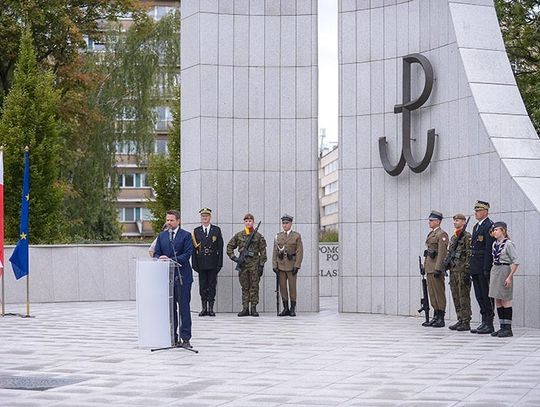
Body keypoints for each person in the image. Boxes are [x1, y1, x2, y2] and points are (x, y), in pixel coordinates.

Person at [153, 210, 194, 348]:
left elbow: (188, 253)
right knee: (170, 310)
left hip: (182, 277)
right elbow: (156, 252)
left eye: (171, 220)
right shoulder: (162, 236)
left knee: (184, 308)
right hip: (167, 278)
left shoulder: (186, 236)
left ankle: (186, 338)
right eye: (167, 220)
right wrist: (160, 258)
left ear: (178, 221)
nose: (169, 223)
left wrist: (172, 260)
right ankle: (173, 337)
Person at [227, 213, 267, 317]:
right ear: (244, 222)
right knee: (245, 287)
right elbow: (229, 247)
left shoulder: (258, 236)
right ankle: (245, 308)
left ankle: (253, 308)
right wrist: (234, 258)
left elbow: (263, 251)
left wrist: (261, 265)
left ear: (253, 222)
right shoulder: (239, 235)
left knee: (254, 286)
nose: (248, 222)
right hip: (243, 265)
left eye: (250, 221)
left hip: (254, 264)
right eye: (246, 221)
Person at [489, 222, 519, 338]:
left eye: (496, 230)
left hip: (504, 270)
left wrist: (509, 277)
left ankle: (508, 328)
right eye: (494, 230)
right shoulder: (494, 244)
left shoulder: (508, 244)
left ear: (503, 230)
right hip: (495, 270)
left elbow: (516, 262)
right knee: (497, 299)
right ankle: (502, 326)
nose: (494, 232)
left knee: (505, 299)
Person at [191, 207, 224, 317]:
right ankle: (203, 308)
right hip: (201, 262)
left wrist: (219, 263)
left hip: (212, 262)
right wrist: (194, 264)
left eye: (207, 216)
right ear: (201, 218)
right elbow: (193, 249)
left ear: (210, 217)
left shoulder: (216, 230)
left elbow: (220, 247)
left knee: (212, 285)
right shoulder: (196, 231)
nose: (205, 218)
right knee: (203, 285)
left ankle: (210, 308)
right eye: (203, 216)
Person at [469, 200, 495, 334]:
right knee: (479, 295)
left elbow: (488, 249)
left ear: (485, 211)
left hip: (483, 266)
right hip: (475, 266)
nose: (476, 213)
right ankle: (484, 320)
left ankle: (489, 323)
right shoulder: (476, 227)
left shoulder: (489, 226)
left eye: (478, 210)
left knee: (486, 295)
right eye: (475, 210)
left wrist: (487, 268)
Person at [272, 214, 304, 317]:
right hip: (281, 265)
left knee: (292, 288)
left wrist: (297, 265)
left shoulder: (296, 236)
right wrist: (274, 265)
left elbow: (300, 251)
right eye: (283, 223)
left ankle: (292, 308)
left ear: (291, 224)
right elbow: (275, 252)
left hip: (291, 266)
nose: (285, 225)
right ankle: (285, 308)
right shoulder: (278, 236)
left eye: (287, 223)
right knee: (283, 288)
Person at [445, 214, 472, 331]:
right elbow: (449, 253)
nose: (455, 222)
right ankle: (460, 319)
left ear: (464, 222)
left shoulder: (467, 236)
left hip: (462, 271)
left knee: (463, 296)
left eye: (457, 220)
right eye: (454, 220)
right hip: (453, 270)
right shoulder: (453, 237)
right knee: (455, 295)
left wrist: (467, 271)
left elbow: (469, 254)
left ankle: (466, 321)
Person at [423, 210, 448, 328]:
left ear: (438, 221)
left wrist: (439, 268)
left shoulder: (441, 234)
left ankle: (441, 317)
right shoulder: (431, 234)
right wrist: (424, 266)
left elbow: (442, 253)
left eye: (431, 220)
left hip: (436, 268)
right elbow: (429, 252)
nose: (429, 222)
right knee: (432, 293)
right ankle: (435, 315)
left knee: (439, 293)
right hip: (430, 267)